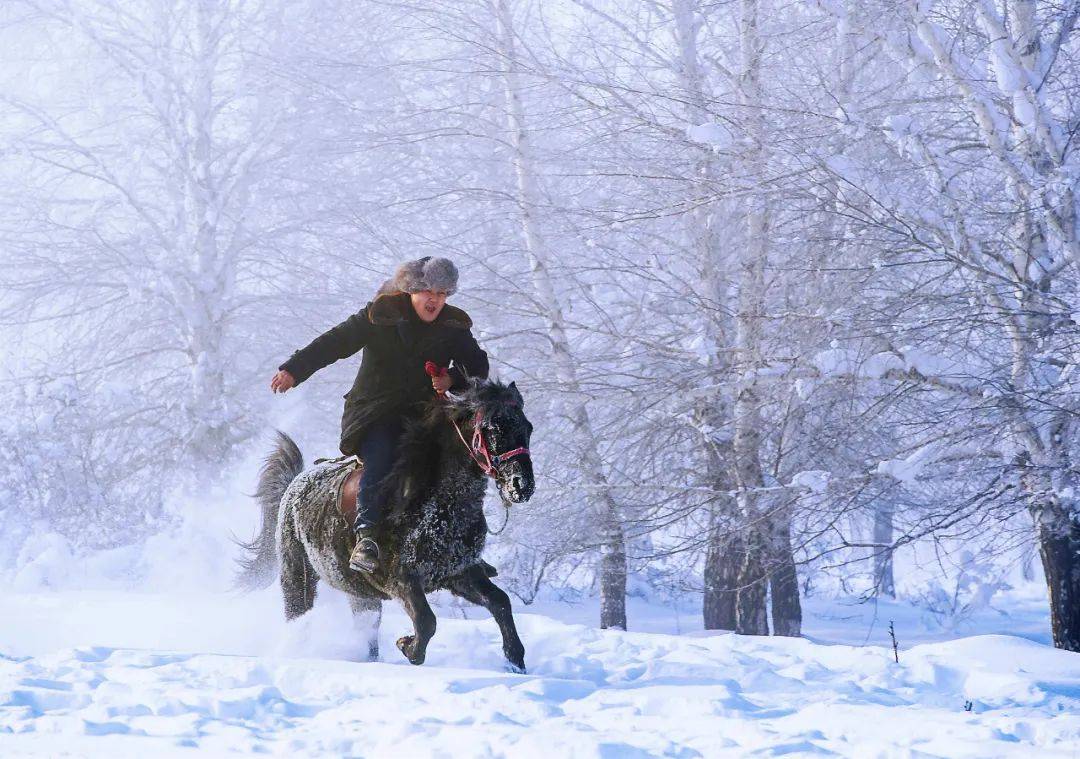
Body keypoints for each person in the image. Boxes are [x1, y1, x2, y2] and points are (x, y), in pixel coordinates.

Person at [270, 257, 489, 573]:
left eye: (442, 294)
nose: (435, 300)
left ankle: (460, 541)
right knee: (384, 454)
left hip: (425, 417)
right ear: (412, 289)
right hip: (375, 413)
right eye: (428, 291)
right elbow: (334, 343)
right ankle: (367, 536)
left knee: (459, 457)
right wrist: (294, 369)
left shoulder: (454, 327)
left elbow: (478, 368)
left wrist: (452, 379)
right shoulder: (380, 316)